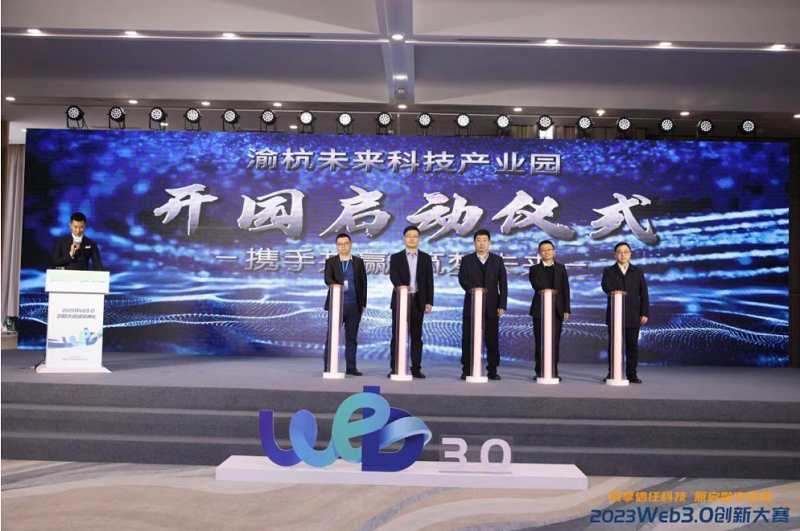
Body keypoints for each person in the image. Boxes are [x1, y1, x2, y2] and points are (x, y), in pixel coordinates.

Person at [458, 229, 508, 380]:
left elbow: (503, 284)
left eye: (484, 240)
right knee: (468, 339)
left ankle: (492, 370)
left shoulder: (497, 260)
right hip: (472, 306)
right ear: (474, 243)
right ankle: (467, 369)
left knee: (492, 340)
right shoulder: (467, 260)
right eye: (478, 240)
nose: (481, 243)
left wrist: (502, 305)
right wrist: (473, 289)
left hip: (492, 306)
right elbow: (462, 279)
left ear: (489, 242)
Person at [388, 226, 434, 379]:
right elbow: (393, 276)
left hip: (418, 301)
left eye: (415, 236)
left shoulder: (426, 258)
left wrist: (429, 301)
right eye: (409, 236)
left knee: (416, 336)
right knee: (397, 336)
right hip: (400, 300)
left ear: (419, 239)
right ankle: (395, 367)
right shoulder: (396, 257)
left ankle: (416, 368)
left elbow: (429, 281)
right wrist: (401, 286)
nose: (412, 239)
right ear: (404, 238)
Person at [601, 242, 649, 384]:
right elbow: (605, 286)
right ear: (615, 254)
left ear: (630, 254)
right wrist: (613, 291)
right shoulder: (609, 270)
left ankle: (632, 374)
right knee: (613, 346)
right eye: (620, 252)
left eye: (626, 251)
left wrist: (644, 313)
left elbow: (644, 293)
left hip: (633, 314)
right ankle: (612, 372)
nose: (623, 254)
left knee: (632, 346)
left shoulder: (637, 271)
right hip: (615, 315)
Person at [323, 233, 367, 376]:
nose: (343, 246)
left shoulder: (358, 262)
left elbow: (364, 283)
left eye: (345, 243)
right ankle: (329, 366)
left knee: (352, 337)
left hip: (354, 305)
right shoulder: (331, 261)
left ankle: (351, 367)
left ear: (350, 244)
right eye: (340, 244)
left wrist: (363, 303)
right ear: (336, 246)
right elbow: (327, 279)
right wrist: (335, 285)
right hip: (336, 304)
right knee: (332, 337)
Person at [529, 240, 570, 381]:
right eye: (543, 250)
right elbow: (536, 285)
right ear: (539, 253)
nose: (546, 252)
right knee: (540, 341)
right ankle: (540, 371)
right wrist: (548, 291)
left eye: (549, 249)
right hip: (540, 310)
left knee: (554, 342)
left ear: (554, 251)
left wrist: (566, 309)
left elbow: (565, 289)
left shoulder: (561, 268)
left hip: (557, 310)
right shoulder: (534, 269)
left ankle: (553, 370)